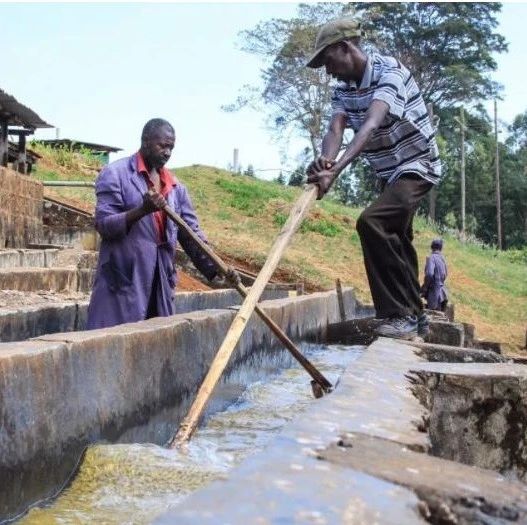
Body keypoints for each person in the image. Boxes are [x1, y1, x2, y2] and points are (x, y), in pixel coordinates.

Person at [305, 18, 442, 340]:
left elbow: (370, 124)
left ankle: (397, 316)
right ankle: (416, 316)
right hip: (388, 171)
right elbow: (335, 130)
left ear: (345, 47)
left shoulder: (389, 72)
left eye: (328, 61)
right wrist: (326, 161)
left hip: (416, 165)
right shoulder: (342, 91)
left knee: (372, 222)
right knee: (397, 239)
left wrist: (336, 172)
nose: (328, 71)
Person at [87, 118, 228, 329]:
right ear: (145, 141)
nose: (167, 152)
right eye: (162, 145)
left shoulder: (175, 187)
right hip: (124, 281)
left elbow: (191, 234)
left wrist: (219, 267)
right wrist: (142, 210)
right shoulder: (115, 174)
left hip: (160, 283)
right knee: (115, 345)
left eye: (171, 147)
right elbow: (105, 225)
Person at [421, 238, 448, 312]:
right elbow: (445, 274)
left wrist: (425, 287)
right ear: (441, 248)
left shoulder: (432, 258)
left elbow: (429, 274)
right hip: (442, 293)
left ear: (432, 247)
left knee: (433, 316)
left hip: (433, 294)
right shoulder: (442, 259)